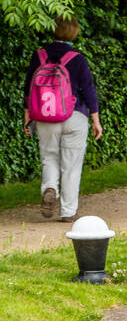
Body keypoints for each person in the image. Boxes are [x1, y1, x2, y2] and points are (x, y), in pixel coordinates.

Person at [22, 16, 103, 222]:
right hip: (74, 116)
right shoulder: (77, 58)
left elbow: (28, 89)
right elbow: (88, 90)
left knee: (49, 157)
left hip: (45, 116)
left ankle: (50, 188)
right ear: (74, 32)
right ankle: (68, 212)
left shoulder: (39, 56)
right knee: (71, 165)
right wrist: (95, 119)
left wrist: (27, 117)